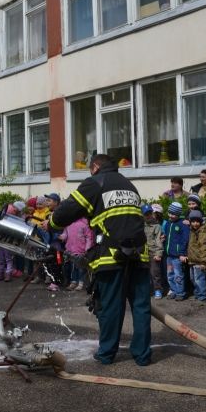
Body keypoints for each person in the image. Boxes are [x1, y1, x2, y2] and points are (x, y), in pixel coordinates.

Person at [46, 154, 151, 366]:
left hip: (112, 256)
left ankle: (106, 354)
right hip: (140, 254)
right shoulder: (129, 185)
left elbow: (67, 211)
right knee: (141, 306)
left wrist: (52, 224)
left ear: (95, 167)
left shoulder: (95, 182)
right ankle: (142, 355)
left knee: (111, 306)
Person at [163, 202, 190, 301]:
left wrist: (182, 253)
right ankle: (173, 290)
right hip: (169, 255)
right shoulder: (168, 223)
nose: (171, 215)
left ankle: (180, 292)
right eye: (169, 213)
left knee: (178, 275)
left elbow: (185, 240)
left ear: (179, 214)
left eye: (173, 214)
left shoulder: (182, 224)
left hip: (178, 255)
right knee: (170, 274)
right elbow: (166, 236)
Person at [61, 215, 94, 291]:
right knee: (73, 267)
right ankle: (74, 281)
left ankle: (81, 282)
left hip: (81, 250)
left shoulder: (84, 224)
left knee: (80, 268)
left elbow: (89, 237)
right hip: (71, 249)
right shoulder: (68, 224)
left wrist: (87, 248)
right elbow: (66, 234)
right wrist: (62, 237)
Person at [185, 210, 206, 305]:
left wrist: (204, 262)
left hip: (199, 261)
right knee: (193, 279)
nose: (195, 223)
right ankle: (197, 294)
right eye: (193, 221)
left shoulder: (202, 232)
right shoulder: (192, 231)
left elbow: (205, 247)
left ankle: (203, 298)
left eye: (197, 221)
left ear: (200, 222)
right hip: (192, 260)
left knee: (199, 280)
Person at [142, 204, 165, 299]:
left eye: (149, 213)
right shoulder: (140, 225)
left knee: (155, 273)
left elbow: (158, 240)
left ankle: (158, 289)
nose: (148, 216)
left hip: (153, 252)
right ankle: (146, 290)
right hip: (143, 253)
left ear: (152, 213)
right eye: (146, 214)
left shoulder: (157, 226)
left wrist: (158, 253)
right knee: (144, 274)